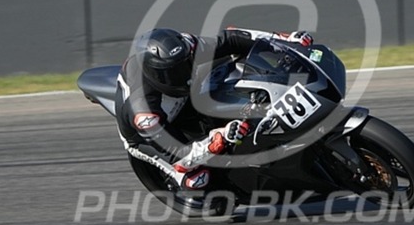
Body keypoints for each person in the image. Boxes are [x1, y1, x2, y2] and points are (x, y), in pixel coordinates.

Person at [115, 27, 313, 191]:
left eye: (186, 64)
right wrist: (216, 140)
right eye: (173, 73)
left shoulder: (188, 47)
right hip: (150, 138)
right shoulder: (144, 111)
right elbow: (177, 153)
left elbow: (232, 38)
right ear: (155, 74)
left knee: (234, 63)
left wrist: (284, 40)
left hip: (187, 98)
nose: (184, 74)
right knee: (199, 181)